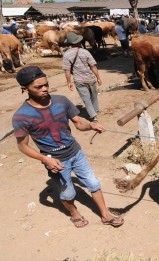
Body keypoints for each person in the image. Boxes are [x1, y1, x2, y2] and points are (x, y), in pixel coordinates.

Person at [12, 66, 124, 228]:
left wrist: (92, 126)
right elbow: (23, 146)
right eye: (38, 87)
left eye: (46, 84)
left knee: (93, 183)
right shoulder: (22, 116)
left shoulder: (61, 101)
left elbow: (78, 122)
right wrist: (45, 159)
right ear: (25, 89)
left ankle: (105, 215)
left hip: (76, 152)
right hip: (56, 161)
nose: (45, 89)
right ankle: (74, 213)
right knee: (68, 193)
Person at [63, 32, 102, 123]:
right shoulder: (85, 52)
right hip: (90, 78)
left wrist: (69, 82)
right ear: (78, 42)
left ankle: (93, 116)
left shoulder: (66, 55)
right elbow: (93, 66)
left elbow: (67, 70)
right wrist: (98, 77)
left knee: (86, 99)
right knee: (94, 95)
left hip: (79, 80)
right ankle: (95, 110)